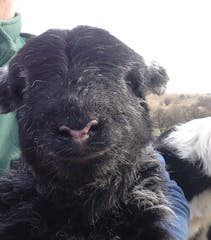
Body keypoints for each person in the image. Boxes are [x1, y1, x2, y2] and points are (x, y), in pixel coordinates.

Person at [0, 1, 189, 239]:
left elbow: (165, 183)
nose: (80, 130)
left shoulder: (36, 53)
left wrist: (164, 229)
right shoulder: (24, 67)